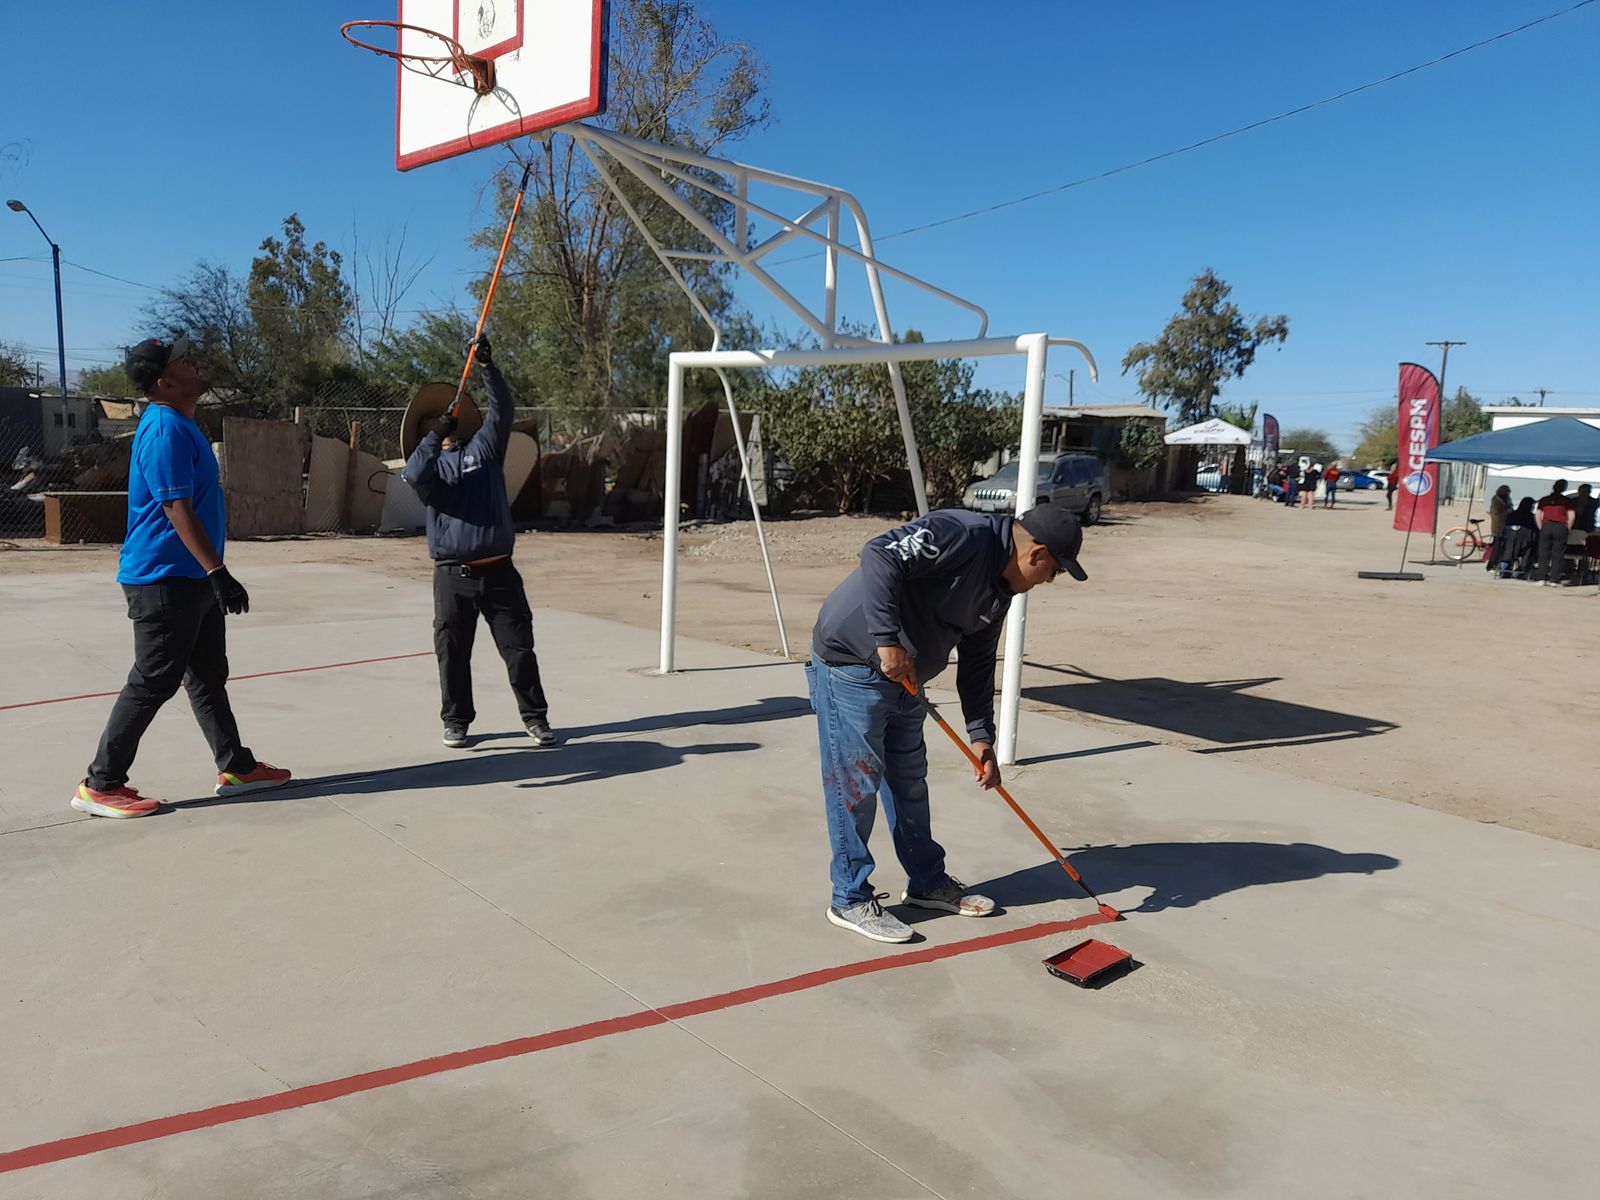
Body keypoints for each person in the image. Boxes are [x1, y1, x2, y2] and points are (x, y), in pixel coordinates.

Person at [807, 504, 1088, 943]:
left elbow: (977, 664)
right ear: (1036, 554)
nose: (1049, 581)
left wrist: (981, 737)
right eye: (1054, 571)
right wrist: (886, 640)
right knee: (855, 784)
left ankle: (926, 882)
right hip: (852, 662)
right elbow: (880, 554)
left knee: (909, 780)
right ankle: (850, 898)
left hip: (907, 677)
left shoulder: (1001, 592)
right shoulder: (963, 534)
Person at [72, 336, 291, 818]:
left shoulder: (181, 423)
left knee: (208, 675)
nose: (195, 364)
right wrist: (219, 571)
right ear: (164, 382)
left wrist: (210, 575)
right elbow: (176, 507)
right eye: (183, 362)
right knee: (153, 680)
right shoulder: (165, 429)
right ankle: (100, 783)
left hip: (191, 577)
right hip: (163, 578)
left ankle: (236, 767)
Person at [403, 334, 556, 748]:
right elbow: (412, 474)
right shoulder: (428, 471)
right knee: (452, 651)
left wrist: (488, 367)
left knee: (519, 648)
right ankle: (456, 721)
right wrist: (432, 440)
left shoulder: (484, 451)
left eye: (444, 419)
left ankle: (535, 717)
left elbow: (503, 411)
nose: (441, 423)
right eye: (432, 423)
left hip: (499, 572)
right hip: (453, 577)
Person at [1534, 480, 1576, 587]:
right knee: (1558, 553)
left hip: (1546, 525)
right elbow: (1571, 516)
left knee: (1543, 552)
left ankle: (1541, 578)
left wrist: (1541, 527)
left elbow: (1538, 514)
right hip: (1560, 526)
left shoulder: (1544, 500)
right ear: (1564, 488)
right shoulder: (1567, 501)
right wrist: (1568, 528)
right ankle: (1554, 579)